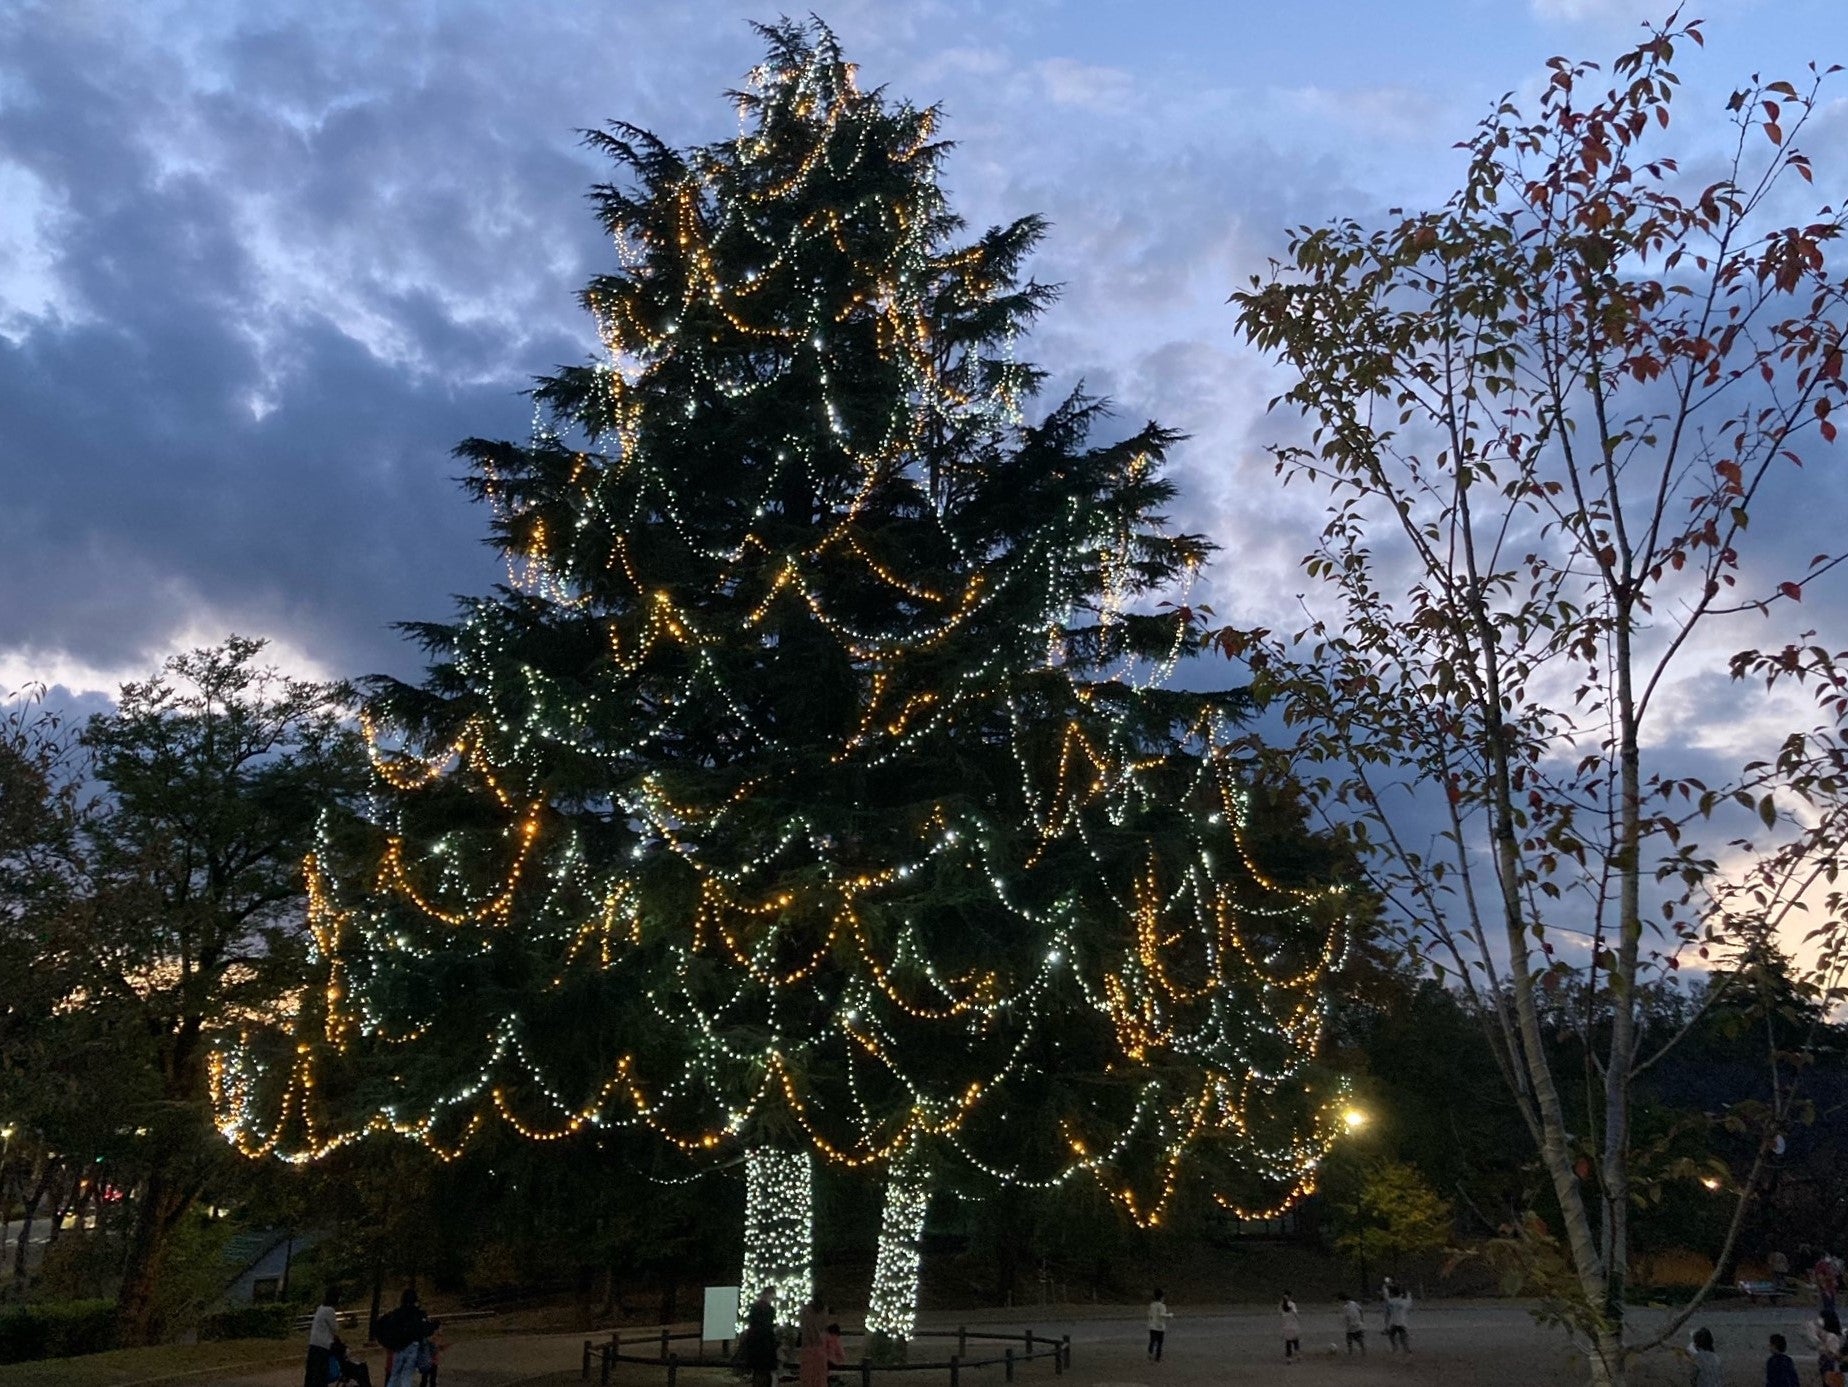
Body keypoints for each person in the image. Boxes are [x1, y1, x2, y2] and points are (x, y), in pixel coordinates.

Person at [375, 1288, 440, 1387]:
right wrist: (434, 1325)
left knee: (395, 1374)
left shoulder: (396, 1313)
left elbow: (383, 1324)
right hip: (412, 1347)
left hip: (398, 1347)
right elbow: (425, 1330)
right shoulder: (417, 1314)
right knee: (407, 1375)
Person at [306, 1286, 341, 1387]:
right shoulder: (330, 1311)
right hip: (323, 1345)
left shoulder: (320, 1308)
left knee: (312, 1372)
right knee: (321, 1374)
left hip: (313, 1343)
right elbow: (335, 1328)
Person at [741, 1299, 780, 1387]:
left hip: (757, 1351)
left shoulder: (753, 1331)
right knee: (765, 1373)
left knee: (758, 1372)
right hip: (766, 1351)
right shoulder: (768, 1332)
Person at [798, 1298, 829, 1387]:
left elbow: (802, 1325)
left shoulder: (805, 1311)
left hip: (807, 1348)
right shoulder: (824, 1311)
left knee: (807, 1378)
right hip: (820, 1348)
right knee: (820, 1378)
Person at [1383, 1282, 1412, 1353]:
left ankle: (1395, 1348)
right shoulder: (1404, 1302)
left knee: (1391, 1336)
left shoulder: (1391, 1301)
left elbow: (1387, 1299)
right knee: (1403, 1339)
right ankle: (1407, 1350)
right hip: (1402, 1322)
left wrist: (1385, 1288)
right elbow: (1409, 1300)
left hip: (1394, 1323)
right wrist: (1407, 1294)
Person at [1147, 1289, 1173, 1362]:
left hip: (1152, 1326)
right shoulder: (1162, 1306)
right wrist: (1169, 1315)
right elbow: (1162, 1315)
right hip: (1160, 1327)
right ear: (1161, 1297)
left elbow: (1150, 1314)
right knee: (1159, 1343)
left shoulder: (1152, 1305)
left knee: (1152, 1340)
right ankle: (1158, 1357)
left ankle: (1150, 1352)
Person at [1279, 1292, 1301, 1363]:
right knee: (1295, 1340)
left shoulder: (1281, 1305)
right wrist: (1298, 1319)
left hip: (1286, 1326)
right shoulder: (1292, 1304)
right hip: (1293, 1325)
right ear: (1290, 1297)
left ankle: (1289, 1358)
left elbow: (1281, 1314)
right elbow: (1296, 1314)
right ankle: (1297, 1354)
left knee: (1288, 1342)